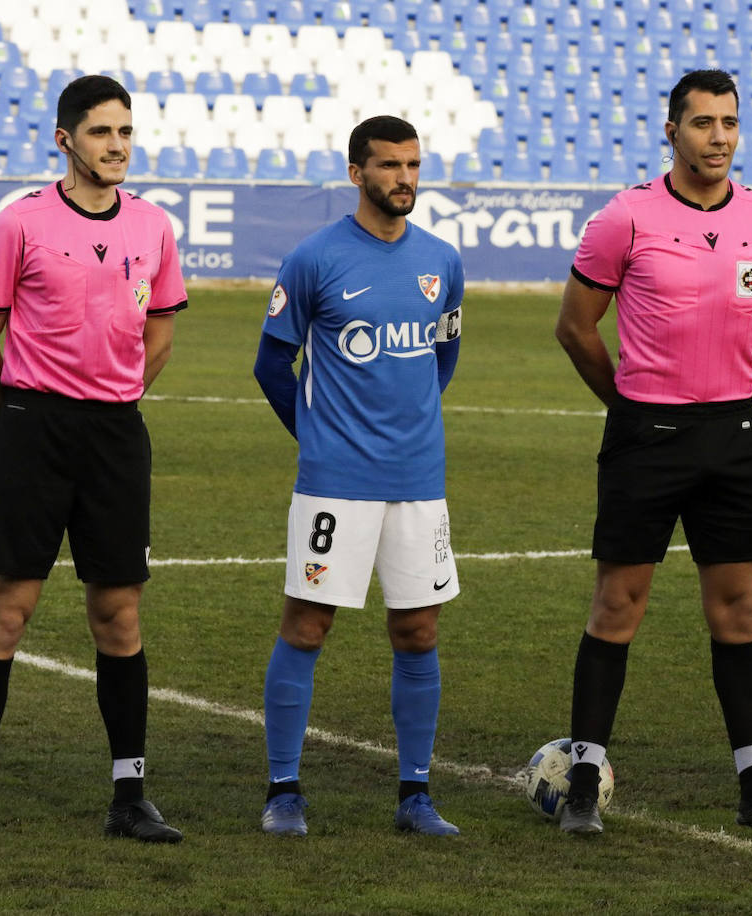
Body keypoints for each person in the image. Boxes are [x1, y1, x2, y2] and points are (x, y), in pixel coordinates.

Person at [553, 69, 752, 836]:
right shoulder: (625, 217)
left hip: (731, 438)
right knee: (616, 606)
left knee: (738, 611)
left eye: (730, 122)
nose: (720, 138)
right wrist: (633, 405)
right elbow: (575, 327)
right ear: (672, 132)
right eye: (703, 123)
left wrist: (723, 387)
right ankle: (582, 783)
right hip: (646, 436)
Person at [0, 75, 187, 845]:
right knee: (8, 609)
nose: (116, 145)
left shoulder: (153, 225)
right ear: (65, 141)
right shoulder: (20, 224)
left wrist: (114, 398)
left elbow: (160, 330)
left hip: (115, 436)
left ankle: (129, 796)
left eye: (124, 131)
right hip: (31, 430)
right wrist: (20, 417)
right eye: (100, 133)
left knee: (118, 615)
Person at [253, 115, 464, 838]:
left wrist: (410, 425)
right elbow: (272, 363)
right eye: (388, 166)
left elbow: (443, 356)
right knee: (307, 626)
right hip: (334, 481)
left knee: (418, 631)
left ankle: (415, 796)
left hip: (418, 480)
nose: (404, 178)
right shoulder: (314, 260)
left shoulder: (442, 260)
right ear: (356, 173)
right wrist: (316, 433)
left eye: (412, 164)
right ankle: (284, 790)